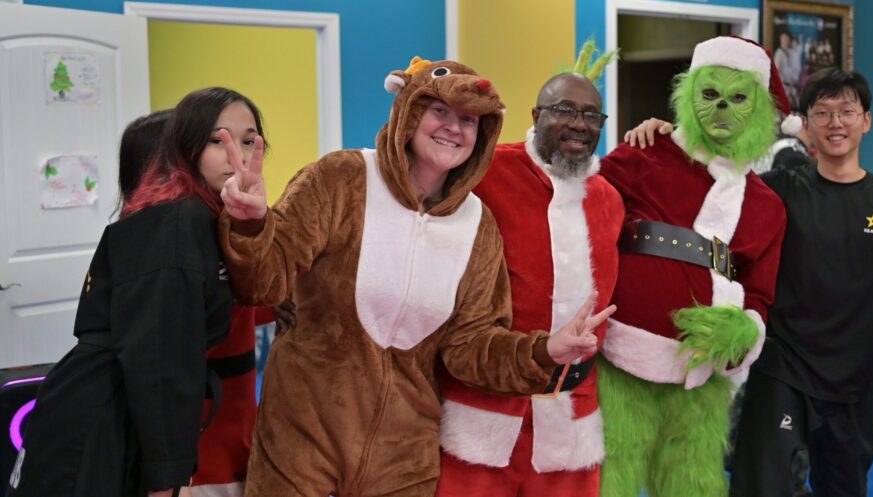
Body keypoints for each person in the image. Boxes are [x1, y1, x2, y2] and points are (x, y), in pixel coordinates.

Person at [216, 58, 614, 497]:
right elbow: (265, 282)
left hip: (405, 458)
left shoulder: (477, 224)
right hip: (302, 440)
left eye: (468, 120)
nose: (453, 128)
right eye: (439, 111)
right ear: (409, 112)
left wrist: (545, 350)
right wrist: (252, 225)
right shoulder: (342, 178)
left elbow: (470, 347)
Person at [628, 68, 873, 496]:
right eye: (823, 112)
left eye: (847, 112)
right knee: (762, 488)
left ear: (866, 121)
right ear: (806, 124)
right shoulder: (779, 189)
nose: (836, 123)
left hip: (852, 383)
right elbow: (707, 185)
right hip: (784, 371)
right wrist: (672, 140)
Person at [8, 87, 269, 497]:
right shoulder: (176, 224)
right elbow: (160, 360)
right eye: (217, 141)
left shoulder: (200, 217)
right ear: (186, 148)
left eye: (249, 141)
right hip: (108, 413)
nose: (236, 153)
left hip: (122, 408)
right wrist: (166, 478)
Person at [595, 36, 789, 497]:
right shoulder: (643, 153)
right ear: (688, 93)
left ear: (760, 107)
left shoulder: (767, 206)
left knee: (692, 481)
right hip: (620, 359)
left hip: (700, 377)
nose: (722, 107)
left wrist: (744, 330)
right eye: (710, 94)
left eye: (738, 98)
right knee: (609, 477)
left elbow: (759, 293)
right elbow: (579, 213)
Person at [436, 45, 624, 497]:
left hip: (572, 416)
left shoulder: (609, 199)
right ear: (536, 115)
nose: (579, 124)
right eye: (565, 110)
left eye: (592, 115)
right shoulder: (487, 172)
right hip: (481, 406)